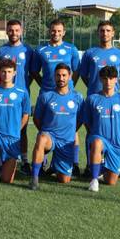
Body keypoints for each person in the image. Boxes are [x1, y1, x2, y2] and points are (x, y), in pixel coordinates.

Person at [78, 20, 120, 176]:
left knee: (113, 132)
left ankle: (107, 164)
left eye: (108, 30)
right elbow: (84, 75)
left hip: (113, 100)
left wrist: (113, 88)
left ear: (113, 33)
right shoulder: (90, 53)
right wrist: (94, 88)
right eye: (102, 30)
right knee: (92, 131)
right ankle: (90, 165)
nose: (105, 33)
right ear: (98, 32)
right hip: (94, 99)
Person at [31, 19, 80, 174]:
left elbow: (76, 71)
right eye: (53, 30)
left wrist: (70, 87)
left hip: (67, 95)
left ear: (64, 32)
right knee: (44, 126)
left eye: (59, 31)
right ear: (49, 31)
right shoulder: (41, 50)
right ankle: (43, 157)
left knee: (71, 127)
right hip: (47, 95)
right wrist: (44, 86)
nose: (56, 33)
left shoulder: (71, 49)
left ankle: (75, 163)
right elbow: (34, 71)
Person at [29, 63, 84, 190]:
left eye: (64, 75)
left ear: (70, 76)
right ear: (54, 77)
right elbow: (37, 118)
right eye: (58, 75)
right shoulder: (45, 96)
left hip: (66, 142)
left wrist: (71, 131)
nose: (61, 78)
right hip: (50, 138)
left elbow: (81, 119)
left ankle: (55, 165)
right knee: (42, 138)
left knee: (64, 180)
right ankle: (35, 177)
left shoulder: (78, 97)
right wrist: (44, 132)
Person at [0, 59, 31, 190]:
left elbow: (26, 115)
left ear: (14, 73)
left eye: (9, 72)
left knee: (7, 180)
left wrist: (17, 129)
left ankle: (1, 163)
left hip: (13, 137)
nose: (6, 75)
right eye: (3, 72)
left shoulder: (22, 92)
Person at [83, 66, 120, 192]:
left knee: (111, 182)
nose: (108, 82)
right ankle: (94, 179)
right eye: (105, 78)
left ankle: (102, 167)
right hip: (98, 137)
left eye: (111, 78)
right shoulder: (92, 99)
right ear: (100, 79)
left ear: (116, 79)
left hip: (116, 143)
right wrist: (93, 133)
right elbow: (86, 121)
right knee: (97, 142)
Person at [0, 19, 34, 174]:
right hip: (4, 95)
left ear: (21, 31)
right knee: (1, 127)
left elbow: (32, 72)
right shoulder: (1, 51)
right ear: (6, 31)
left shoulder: (28, 50)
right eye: (11, 30)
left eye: (17, 30)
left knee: (22, 130)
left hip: (21, 96)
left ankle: (24, 161)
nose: (14, 33)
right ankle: (0, 159)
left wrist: (23, 87)